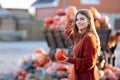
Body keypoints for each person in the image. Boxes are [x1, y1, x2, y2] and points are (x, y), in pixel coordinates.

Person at [56, 9, 101, 80]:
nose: (78, 22)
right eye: (77, 20)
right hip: (80, 76)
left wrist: (69, 59)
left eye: (82, 19)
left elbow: (89, 63)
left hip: (86, 77)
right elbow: (68, 31)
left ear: (89, 21)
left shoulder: (89, 38)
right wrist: (72, 18)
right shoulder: (81, 36)